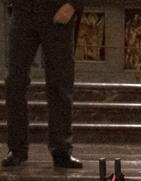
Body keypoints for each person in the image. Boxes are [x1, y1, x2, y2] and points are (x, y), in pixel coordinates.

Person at [5, 0, 84, 168]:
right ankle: (16, 149)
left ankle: (61, 150)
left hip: (59, 9)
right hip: (23, 11)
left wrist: (73, 5)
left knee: (60, 83)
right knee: (14, 82)